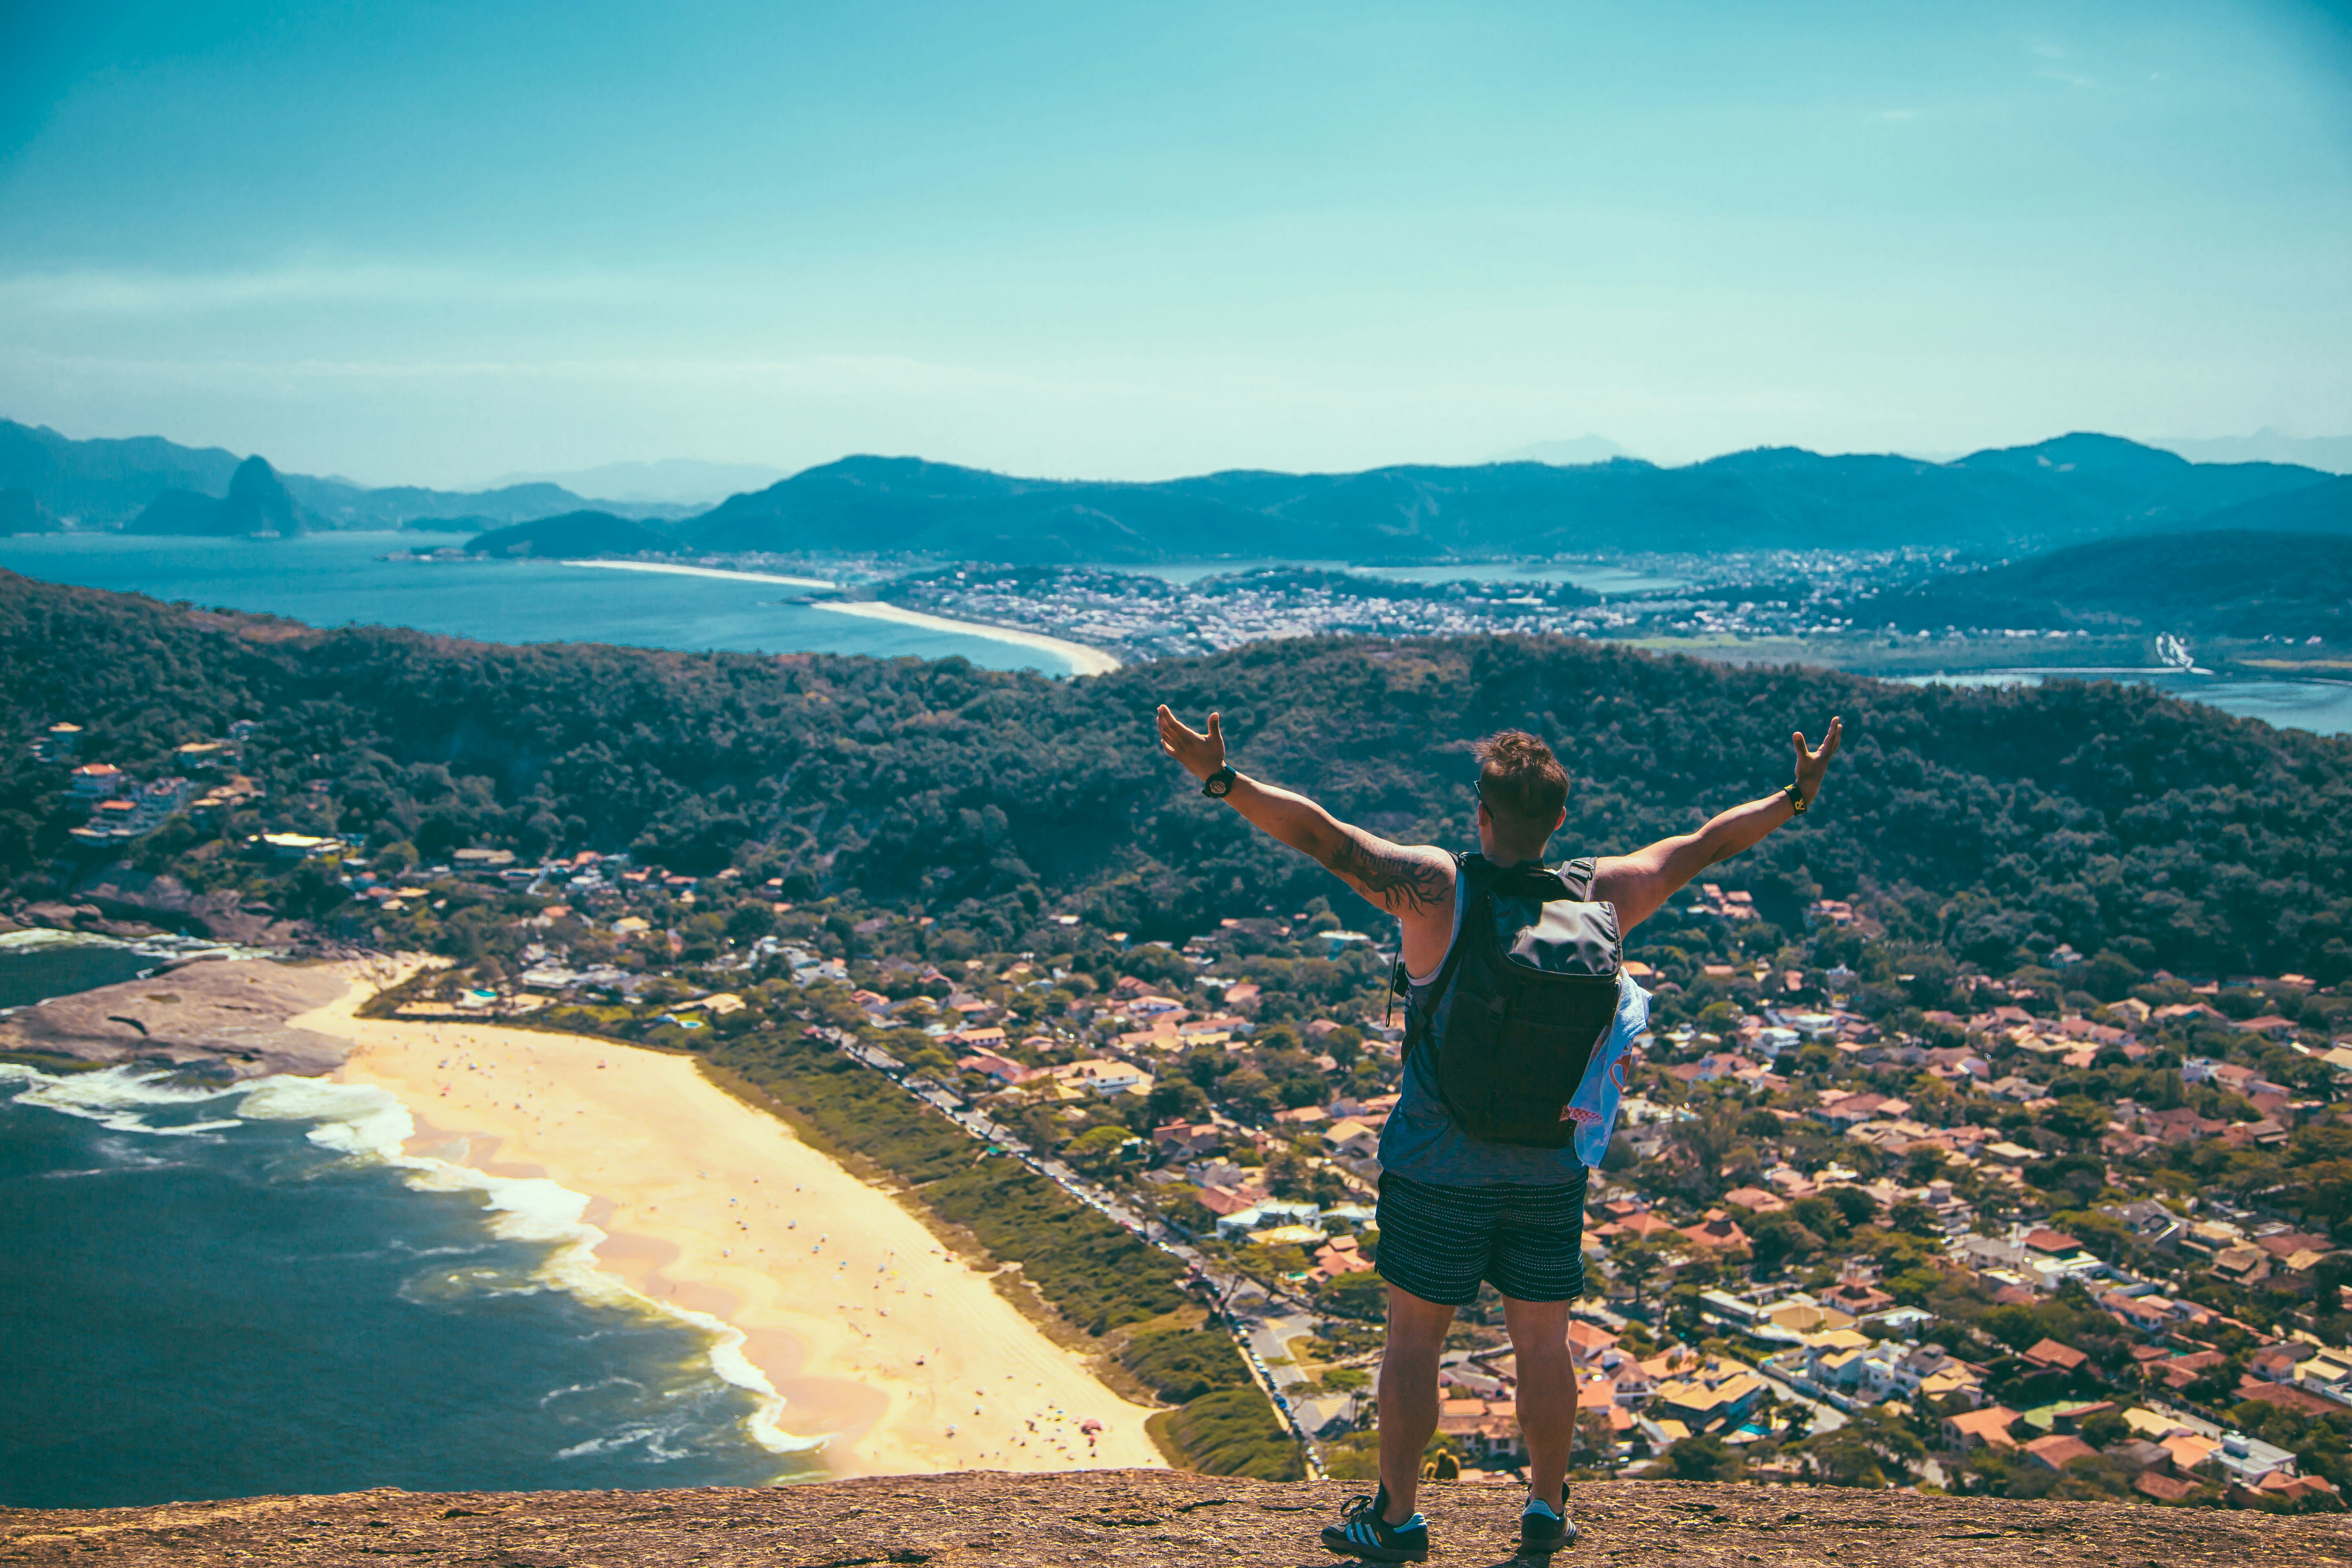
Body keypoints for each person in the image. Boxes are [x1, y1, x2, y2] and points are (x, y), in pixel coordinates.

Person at [1154, 705, 1843, 1564]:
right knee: (1545, 1345)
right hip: (1551, 1168)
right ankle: (1546, 1510)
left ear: (1480, 813)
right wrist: (1796, 794)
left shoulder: (1441, 888)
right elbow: (1704, 845)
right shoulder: (1603, 895)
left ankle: (1398, 1519)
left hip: (1436, 1164)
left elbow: (1326, 839)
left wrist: (1222, 780)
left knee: (1414, 1343)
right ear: (1560, 820)